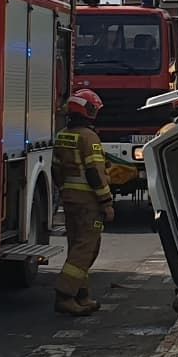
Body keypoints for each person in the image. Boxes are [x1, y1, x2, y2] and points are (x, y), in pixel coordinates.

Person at [51, 87, 113, 315]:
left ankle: (81, 295)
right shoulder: (89, 138)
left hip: (69, 200)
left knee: (77, 245)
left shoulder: (62, 136)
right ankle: (65, 295)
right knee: (86, 248)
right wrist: (106, 203)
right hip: (89, 202)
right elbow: (95, 173)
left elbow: (56, 170)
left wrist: (65, 191)